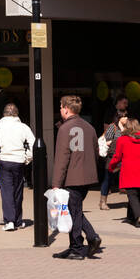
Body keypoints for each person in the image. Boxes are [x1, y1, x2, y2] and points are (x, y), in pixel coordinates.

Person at [52, 95, 101, 259]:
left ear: (66, 109)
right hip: (87, 177)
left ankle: (78, 248)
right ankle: (89, 239)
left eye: (60, 106)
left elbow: (62, 158)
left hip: (72, 177)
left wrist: (56, 183)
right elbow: (96, 153)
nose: (60, 109)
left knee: (73, 211)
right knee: (75, 210)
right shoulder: (90, 127)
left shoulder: (64, 129)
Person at [0, 103, 35, 232]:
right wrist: (27, 158)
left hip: (5, 161)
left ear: (4, 114)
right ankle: (18, 220)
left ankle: (10, 221)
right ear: (17, 114)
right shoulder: (23, 127)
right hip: (19, 161)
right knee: (18, 191)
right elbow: (33, 144)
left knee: (7, 192)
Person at [108, 117, 140, 227]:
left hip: (128, 170)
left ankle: (138, 215)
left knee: (132, 194)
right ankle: (131, 217)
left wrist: (111, 167)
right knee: (136, 193)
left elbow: (117, 156)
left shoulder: (122, 140)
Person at [99, 95, 130, 210]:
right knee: (108, 178)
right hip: (113, 155)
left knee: (129, 179)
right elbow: (107, 141)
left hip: (125, 156)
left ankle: (133, 201)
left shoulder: (128, 129)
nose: (126, 118)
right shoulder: (113, 127)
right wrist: (118, 141)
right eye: (124, 117)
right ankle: (103, 202)